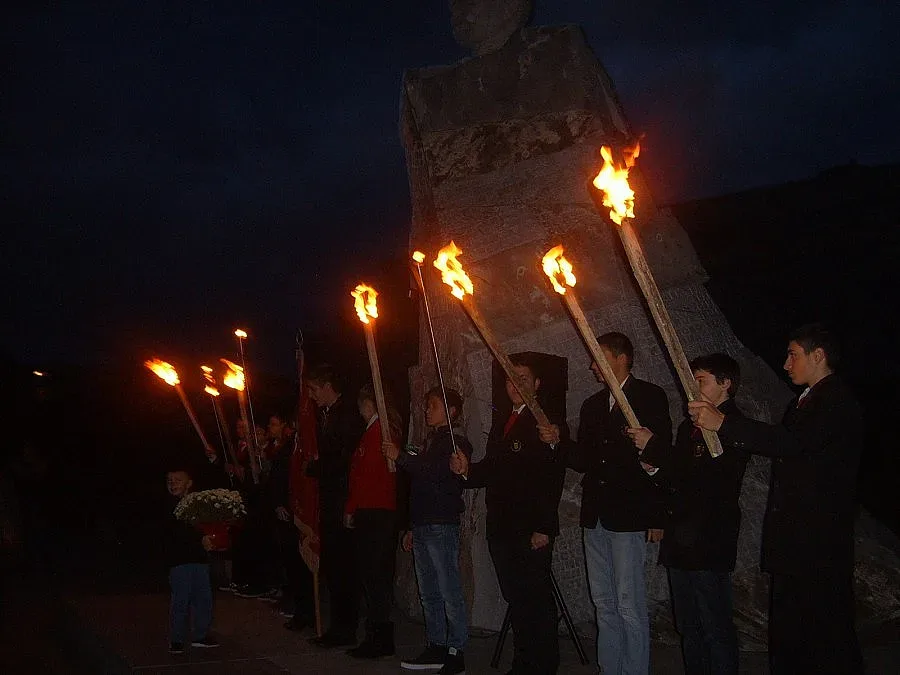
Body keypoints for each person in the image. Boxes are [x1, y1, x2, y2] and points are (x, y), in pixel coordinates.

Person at [688, 323, 864, 675]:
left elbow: (791, 443)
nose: (785, 364)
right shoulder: (804, 401)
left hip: (818, 542)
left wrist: (724, 424)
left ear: (818, 355)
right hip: (797, 542)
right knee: (791, 635)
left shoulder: (835, 401)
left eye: (793, 355)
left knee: (826, 635)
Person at [541, 331, 671, 675]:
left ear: (621, 358)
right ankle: (609, 668)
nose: (592, 366)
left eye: (599, 358)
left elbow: (662, 458)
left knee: (629, 603)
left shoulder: (649, 396)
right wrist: (558, 441)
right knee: (603, 602)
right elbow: (584, 459)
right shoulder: (592, 405)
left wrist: (657, 515)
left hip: (628, 514)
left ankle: (634, 670)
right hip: (595, 514)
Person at [627, 353, 748, 675]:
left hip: (709, 539)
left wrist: (655, 447)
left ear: (725, 384)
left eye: (701, 381)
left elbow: (710, 480)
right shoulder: (688, 427)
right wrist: (655, 469)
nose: (694, 388)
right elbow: (678, 476)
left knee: (714, 624)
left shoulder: (735, 426)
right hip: (681, 538)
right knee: (689, 624)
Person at [451, 355, 567, 675]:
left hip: (530, 528)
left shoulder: (546, 421)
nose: (515, 385)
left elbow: (552, 475)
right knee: (516, 598)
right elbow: (493, 468)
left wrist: (544, 527)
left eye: (523, 379)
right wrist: (466, 471)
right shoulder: (504, 418)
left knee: (536, 600)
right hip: (502, 526)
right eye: (510, 379)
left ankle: (543, 666)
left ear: (537, 384)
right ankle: (523, 662)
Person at [384, 387, 472, 675]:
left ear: (451, 411)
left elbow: (434, 472)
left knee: (449, 591)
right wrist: (411, 526)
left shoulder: (456, 443)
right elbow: (418, 483)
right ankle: (436, 644)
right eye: (427, 405)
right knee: (429, 592)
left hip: (441, 524)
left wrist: (401, 456)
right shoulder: (429, 442)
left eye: (433, 405)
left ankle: (456, 650)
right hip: (423, 524)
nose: (426, 410)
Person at [305, 363, 366, 647]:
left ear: (328, 386)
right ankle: (337, 626)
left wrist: (315, 467)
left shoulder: (347, 415)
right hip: (330, 502)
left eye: (314, 389)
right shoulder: (327, 415)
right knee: (334, 567)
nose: (312, 396)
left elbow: (344, 460)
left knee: (344, 569)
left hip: (342, 501)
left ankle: (345, 629)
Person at [343, 384, 401, 658]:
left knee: (375, 577)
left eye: (362, 404)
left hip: (375, 512)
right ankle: (379, 637)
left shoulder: (380, 431)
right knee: (374, 577)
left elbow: (365, 477)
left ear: (369, 404)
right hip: (375, 511)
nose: (360, 410)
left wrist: (351, 508)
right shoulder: (376, 431)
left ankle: (378, 638)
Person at [261, 413, 315, 630]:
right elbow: (278, 477)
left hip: (302, 513)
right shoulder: (288, 447)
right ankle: (299, 608)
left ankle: (307, 611)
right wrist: (278, 503)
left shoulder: (307, 447)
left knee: (303, 564)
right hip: (287, 510)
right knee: (291, 562)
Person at [164, 467, 218, 654]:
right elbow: (178, 532)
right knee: (181, 600)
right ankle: (177, 639)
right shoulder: (169, 506)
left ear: (189, 483)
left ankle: (200, 635)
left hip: (199, 560)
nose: (173, 484)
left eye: (177, 480)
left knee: (203, 599)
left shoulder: (198, 503)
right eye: (170, 481)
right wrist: (200, 538)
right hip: (180, 561)